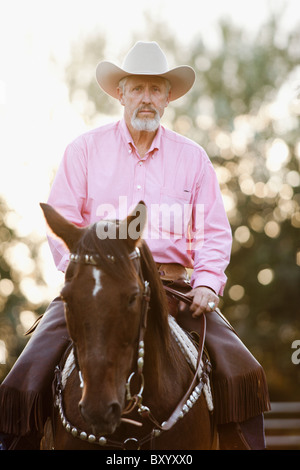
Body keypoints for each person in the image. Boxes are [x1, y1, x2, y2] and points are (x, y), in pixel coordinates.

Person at [0, 41, 270, 450]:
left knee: (243, 374)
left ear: (167, 97)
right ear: (121, 93)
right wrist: (88, 274)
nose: (146, 98)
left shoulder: (193, 159)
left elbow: (214, 232)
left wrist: (209, 283)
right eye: (138, 89)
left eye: (155, 89)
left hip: (176, 290)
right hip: (97, 287)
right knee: (24, 379)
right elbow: (63, 222)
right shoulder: (84, 151)